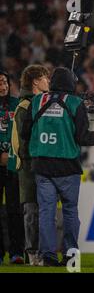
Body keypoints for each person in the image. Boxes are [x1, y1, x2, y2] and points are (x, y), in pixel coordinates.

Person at [21, 67, 94, 266]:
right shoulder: (75, 103)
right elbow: (84, 138)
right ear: (71, 83)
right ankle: (71, 256)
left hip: (41, 166)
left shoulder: (36, 102)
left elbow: (25, 134)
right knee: (69, 212)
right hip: (67, 168)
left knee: (46, 213)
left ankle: (48, 255)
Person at [12, 65, 50, 266]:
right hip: (29, 166)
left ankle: (43, 252)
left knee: (41, 211)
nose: (48, 82)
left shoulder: (39, 103)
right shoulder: (25, 106)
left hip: (39, 164)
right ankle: (33, 253)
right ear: (35, 81)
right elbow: (21, 143)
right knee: (32, 211)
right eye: (45, 78)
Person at [0, 70, 25, 265]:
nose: (3, 86)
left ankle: (17, 252)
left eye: (5, 82)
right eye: (0, 83)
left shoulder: (16, 104)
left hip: (13, 165)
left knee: (14, 210)